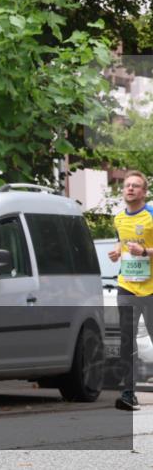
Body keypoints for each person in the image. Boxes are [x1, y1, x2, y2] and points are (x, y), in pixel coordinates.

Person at [107, 170, 153, 411]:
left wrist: (145, 252)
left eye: (136, 186)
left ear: (144, 192)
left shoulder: (151, 215)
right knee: (127, 341)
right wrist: (117, 252)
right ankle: (128, 393)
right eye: (127, 186)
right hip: (126, 286)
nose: (130, 189)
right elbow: (121, 241)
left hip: (152, 289)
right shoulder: (119, 219)